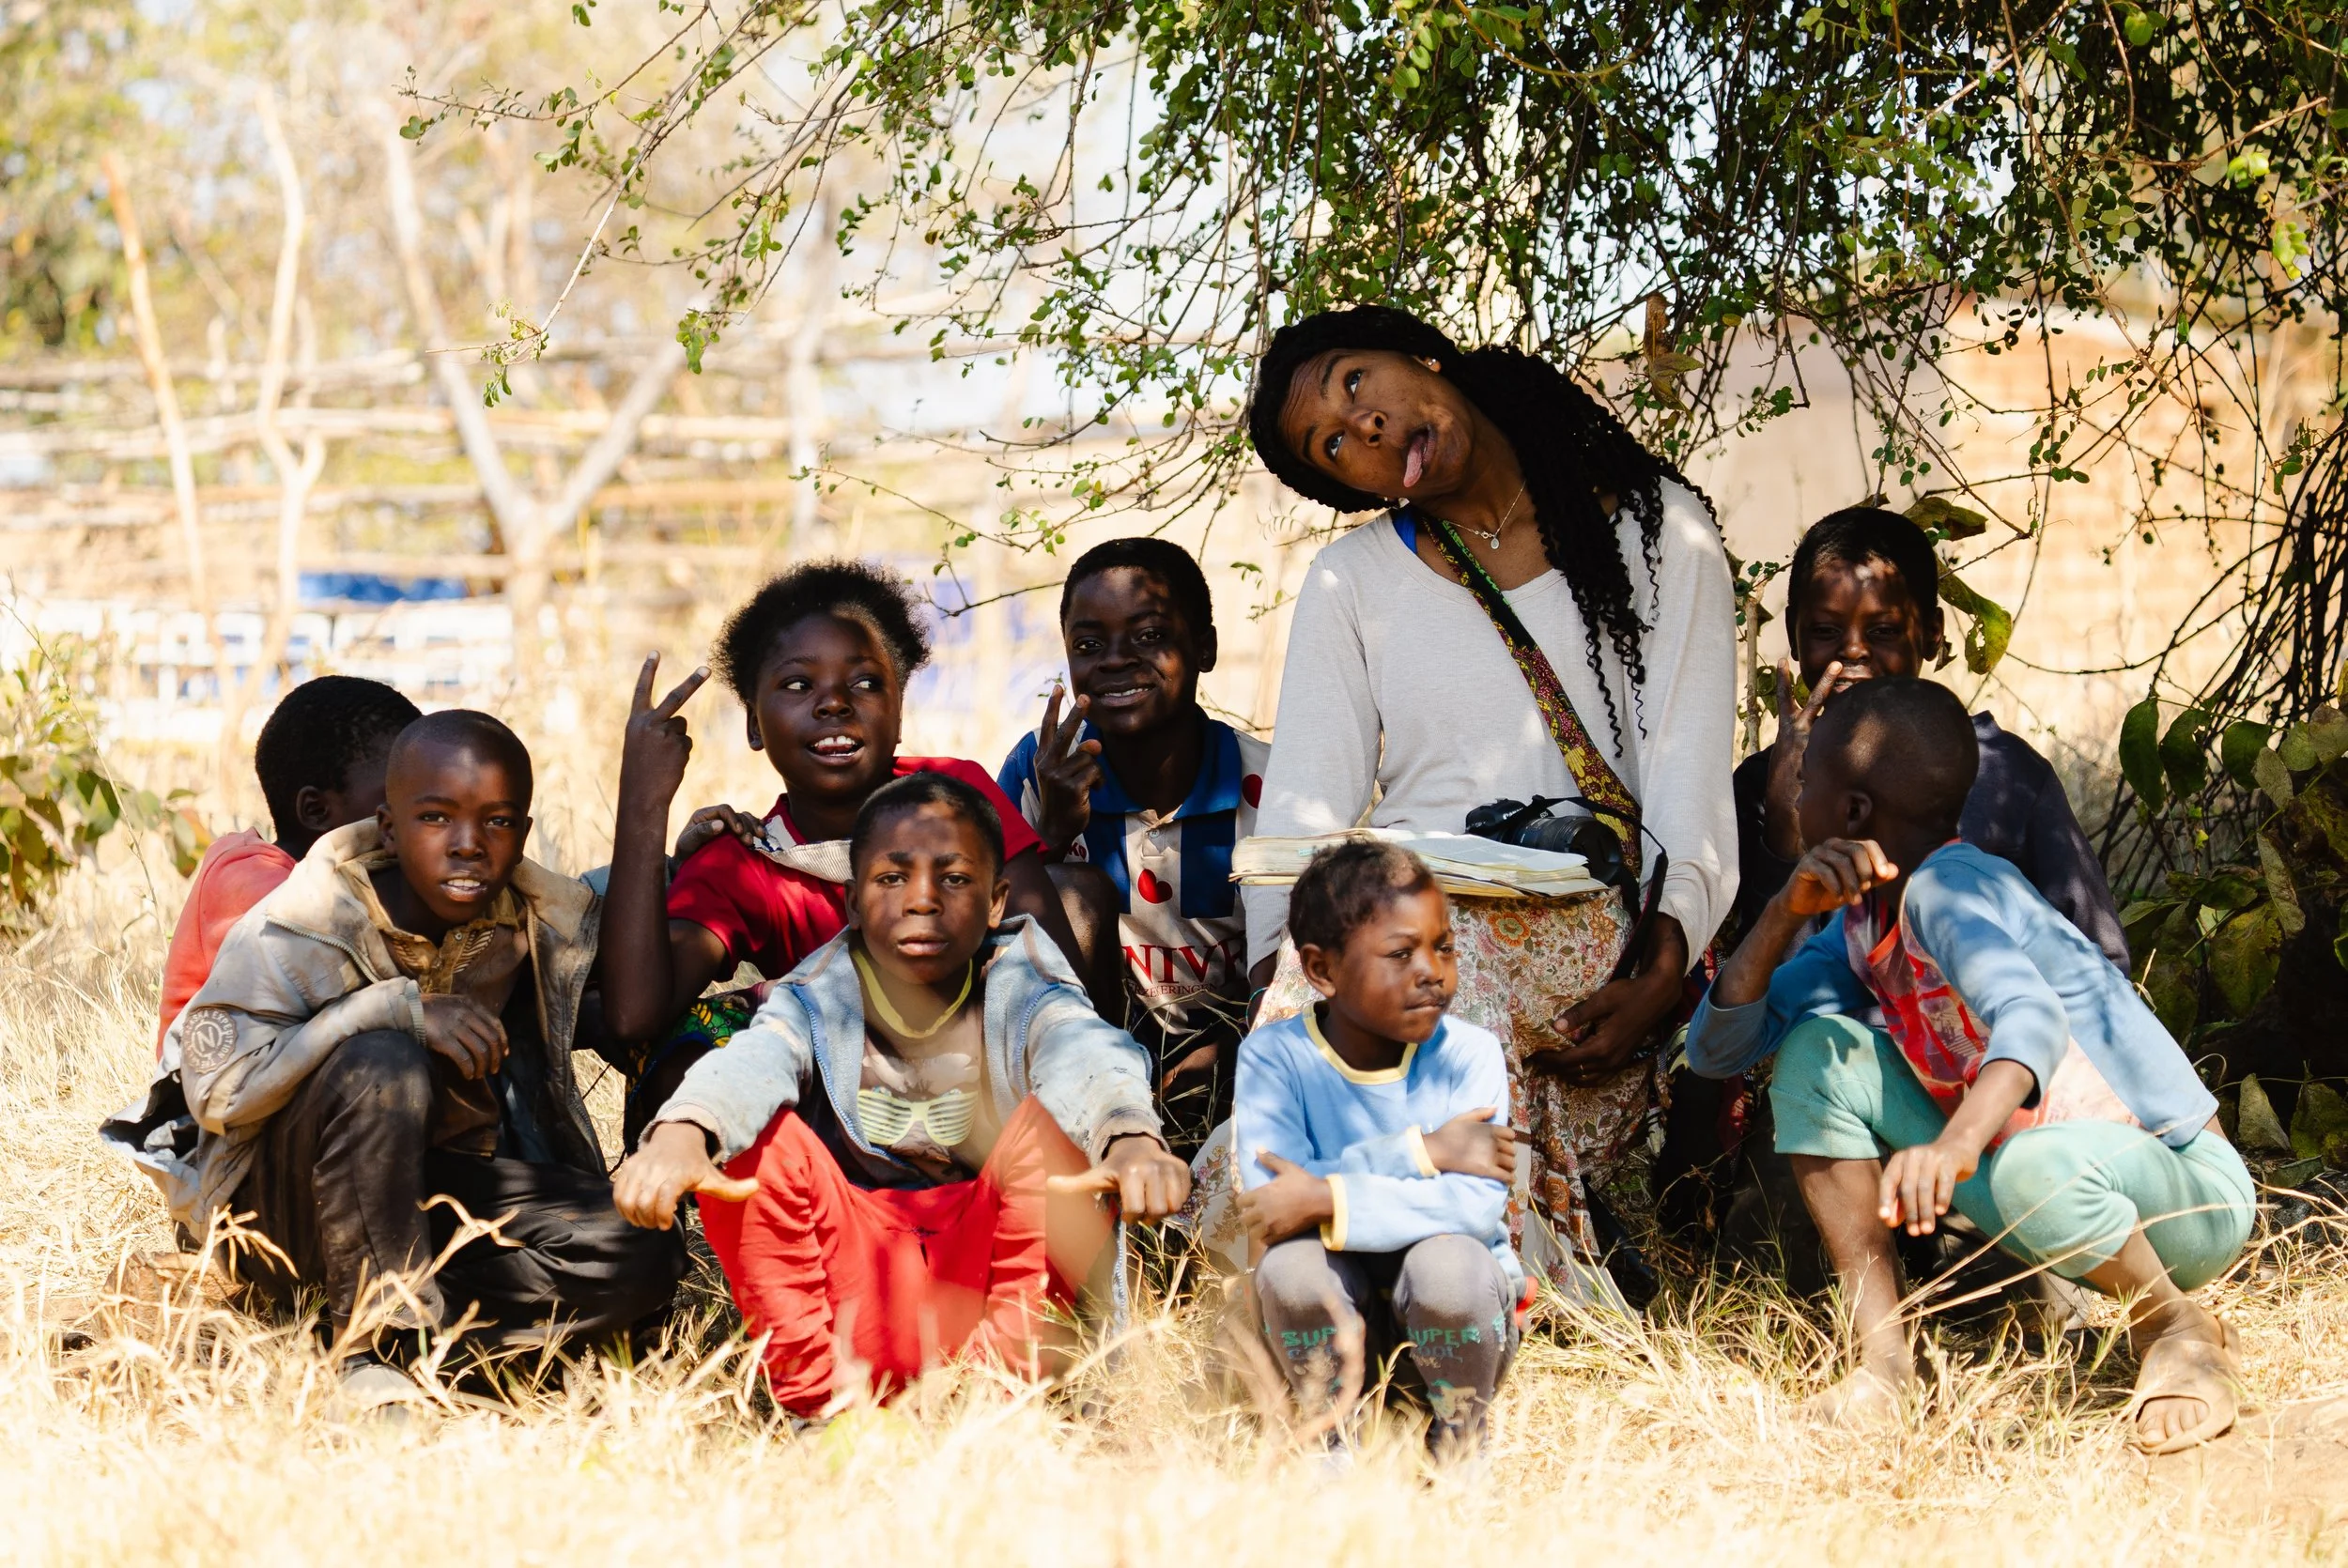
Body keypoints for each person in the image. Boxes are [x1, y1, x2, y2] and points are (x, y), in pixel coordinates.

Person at [1242, 303, 1738, 1285]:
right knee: (1370, 967)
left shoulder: (1656, 534)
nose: (1365, 428)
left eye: (1354, 384)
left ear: (1421, 354)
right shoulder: (1352, 581)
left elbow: (1687, 782)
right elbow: (1304, 804)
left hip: (1585, 944)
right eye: (1333, 446)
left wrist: (1666, 961)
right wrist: (1279, 975)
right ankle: (1355, 1270)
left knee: (1430, 961)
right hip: (1407, 919)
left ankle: (1451, 1264)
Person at [1686, 678, 2254, 1453]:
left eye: (1806, 778)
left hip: (2182, 1196)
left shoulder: (1950, 891)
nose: (1792, 789)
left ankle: (2177, 1326)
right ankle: (1886, 1363)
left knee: (2028, 1165)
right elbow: (1715, 1048)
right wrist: (1787, 907)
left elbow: (2033, 1019)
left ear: (1851, 813)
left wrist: (1954, 1146)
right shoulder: (1858, 921)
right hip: (2039, 1177)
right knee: (1817, 1055)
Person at [104, 712, 687, 1391]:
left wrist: (668, 828)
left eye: (497, 822)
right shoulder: (303, 921)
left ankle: (388, 1345)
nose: (468, 845)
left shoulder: (525, 918)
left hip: (419, 1196)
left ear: (522, 836)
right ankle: (373, 1346)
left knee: (642, 1247)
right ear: (389, 827)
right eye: (437, 818)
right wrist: (389, 1011)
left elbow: (621, 965)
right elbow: (218, 1094)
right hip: (276, 1213)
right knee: (384, 1060)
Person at [611, 772, 1191, 1415]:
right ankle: (826, 1407)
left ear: (998, 902)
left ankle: (999, 1402)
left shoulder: (1021, 978)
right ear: (854, 904)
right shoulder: (820, 991)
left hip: (990, 1275)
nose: (922, 900)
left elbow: (1083, 1050)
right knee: (753, 1139)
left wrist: (1131, 1137)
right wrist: (680, 1135)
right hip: (861, 1280)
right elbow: (756, 1060)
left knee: (1059, 1126)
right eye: (892, 879)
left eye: (954, 878)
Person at [599, 560, 1102, 1141]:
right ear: (754, 725)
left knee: (1080, 892)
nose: (834, 703)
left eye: (864, 683)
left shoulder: (955, 801)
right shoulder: (744, 862)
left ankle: (1090, 1154)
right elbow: (635, 1016)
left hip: (984, 1078)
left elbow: (1057, 976)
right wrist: (643, 802)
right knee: (691, 1050)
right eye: (797, 684)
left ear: (899, 709)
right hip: (842, 1112)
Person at [1724, 505, 2126, 962]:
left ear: (1932, 634)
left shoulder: (2005, 774)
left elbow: (2099, 958)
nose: (1853, 649)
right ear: (1794, 638)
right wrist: (1783, 828)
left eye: (1883, 630)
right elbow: (1758, 998)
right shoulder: (1762, 785)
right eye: (1824, 630)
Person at [1236, 839, 1527, 1458]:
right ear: (1322, 970)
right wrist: (1422, 1152)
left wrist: (1323, 1195)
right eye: (1400, 954)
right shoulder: (1273, 1057)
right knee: (1290, 1269)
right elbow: (1272, 1204)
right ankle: (1333, 1442)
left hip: (1456, 1325)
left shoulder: (1469, 1055)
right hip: (1338, 1323)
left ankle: (1458, 1441)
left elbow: (1472, 1211)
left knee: (1450, 1266)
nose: (1432, 970)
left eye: (1443, 946)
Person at [996, 536, 1269, 1155]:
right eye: (1089, 646)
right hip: (1091, 1059)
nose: (1117, 661)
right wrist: (1055, 831)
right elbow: (990, 934)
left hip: (1243, 1054)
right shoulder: (1039, 770)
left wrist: (1230, 1048)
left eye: (1148, 636)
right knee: (1070, 888)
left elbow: (1306, 960)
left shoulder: (1268, 787)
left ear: (1205, 648)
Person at [155, 676, 423, 1052]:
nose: (421, 816)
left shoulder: (349, 877)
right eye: (396, 798)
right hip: (220, 1090)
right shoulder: (251, 879)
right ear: (316, 810)